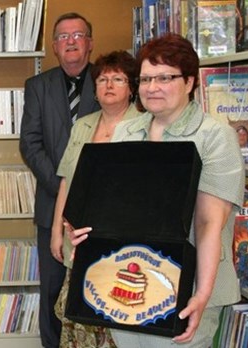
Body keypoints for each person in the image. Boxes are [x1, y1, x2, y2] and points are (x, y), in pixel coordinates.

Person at [66, 34, 245, 347]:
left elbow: (208, 225)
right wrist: (85, 233)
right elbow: (112, 207)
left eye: (165, 77)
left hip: (186, 289)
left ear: (190, 81)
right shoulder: (126, 131)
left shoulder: (215, 137)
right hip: (125, 284)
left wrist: (201, 296)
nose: (152, 87)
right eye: (146, 78)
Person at [19, 12, 101, 348]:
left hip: (101, 207)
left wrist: (85, 192)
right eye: (63, 36)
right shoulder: (37, 86)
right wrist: (62, 188)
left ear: (90, 43)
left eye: (77, 35)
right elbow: (30, 143)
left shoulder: (110, 82)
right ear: (54, 47)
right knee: (52, 290)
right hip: (52, 204)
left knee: (96, 285)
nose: (70, 41)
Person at [52, 50, 141, 348]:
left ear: (132, 87)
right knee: (78, 320)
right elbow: (66, 180)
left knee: (115, 322)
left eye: (118, 78)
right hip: (78, 240)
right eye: (103, 79)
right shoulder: (83, 125)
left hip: (124, 244)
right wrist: (56, 233)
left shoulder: (145, 126)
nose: (109, 85)